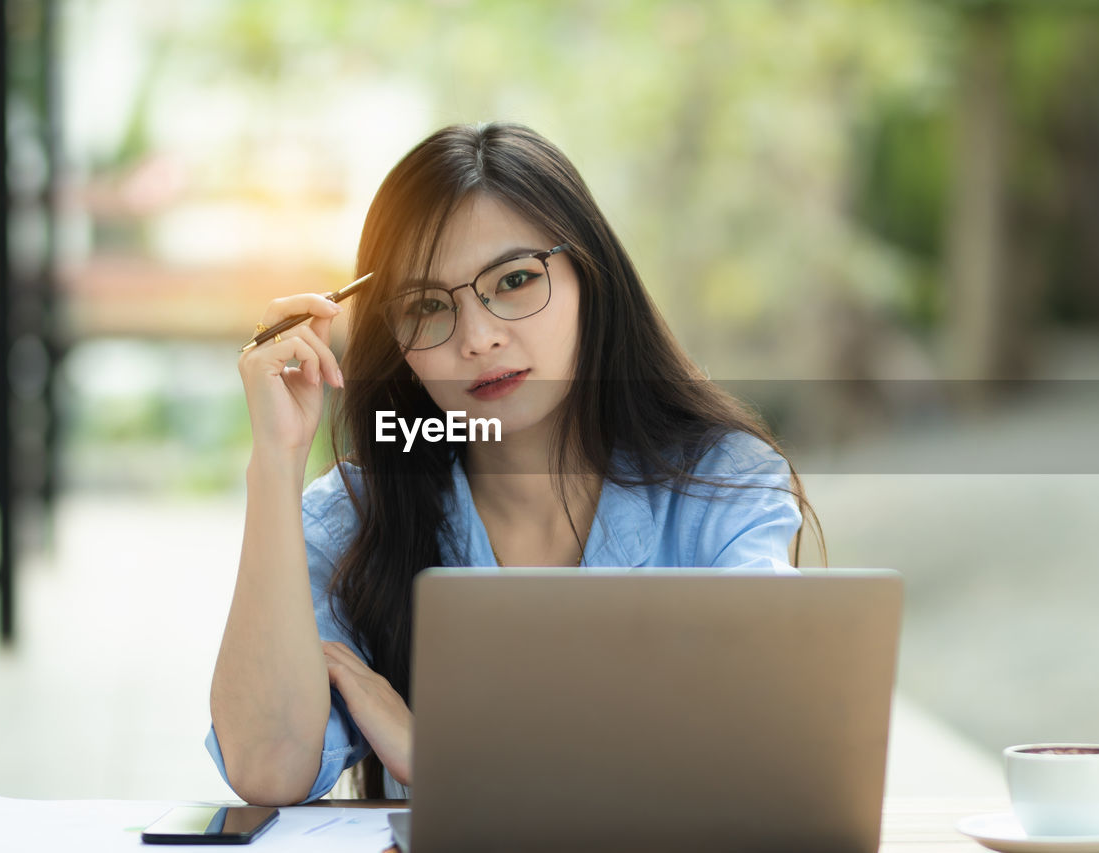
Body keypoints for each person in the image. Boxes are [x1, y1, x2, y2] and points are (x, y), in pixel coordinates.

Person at [206, 121, 822, 806]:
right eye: (426, 306)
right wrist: (275, 460)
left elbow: (753, 745)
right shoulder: (357, 515)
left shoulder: (721, 484)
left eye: (517, 279)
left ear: (592, 276)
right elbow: (266, 766)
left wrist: (444, 759)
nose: (478, 337)